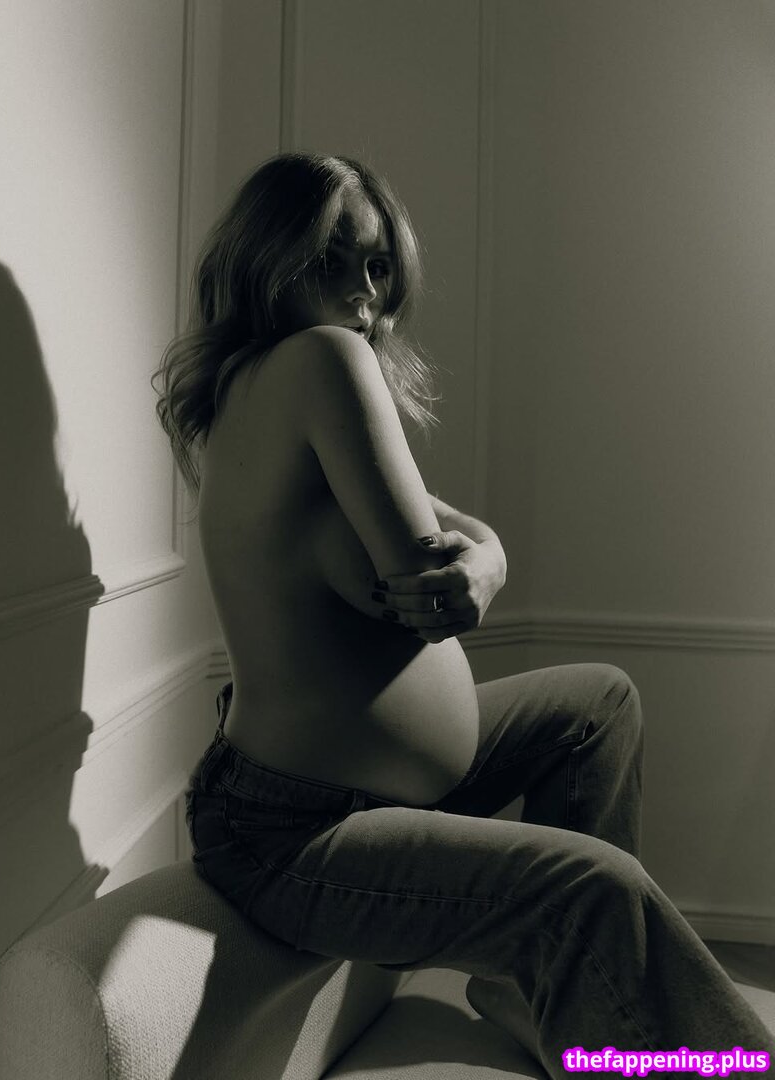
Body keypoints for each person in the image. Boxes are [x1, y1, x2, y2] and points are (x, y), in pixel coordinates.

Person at [155, 152, 773, 1078]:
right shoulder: (323, 361)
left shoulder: (268, 378)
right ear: (266, 261)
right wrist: (469, 569)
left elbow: (460, 541)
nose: (364, 292)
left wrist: (491, 560)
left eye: (378, 265)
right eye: (332, 261)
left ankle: (539, 1000)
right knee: (594, 888)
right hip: (297, 832)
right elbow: (427, 585)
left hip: (345, 792)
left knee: (599, 704)